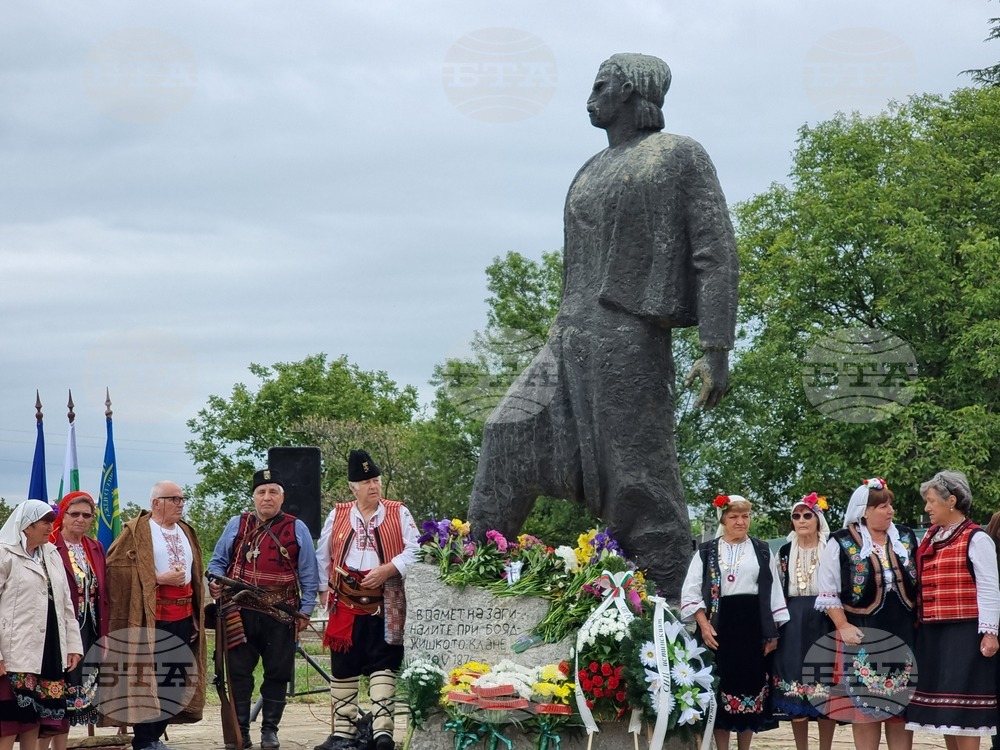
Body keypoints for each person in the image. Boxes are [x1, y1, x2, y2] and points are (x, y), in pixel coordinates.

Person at [467, 52, 739, 598]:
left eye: (601, 85)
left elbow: (717, 252)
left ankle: (667, 618)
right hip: (570, 336)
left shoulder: (678, 155)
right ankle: (471, 578)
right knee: (508, 432)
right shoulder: (591, 166)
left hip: (629, 337)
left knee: (638, 479)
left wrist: (715, 349)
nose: (591, 97)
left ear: (633, 92)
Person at [313, 450, 419, 750]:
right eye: (367, 482)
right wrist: (324, 591)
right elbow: (323, 554)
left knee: (383, 663)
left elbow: (417, 550)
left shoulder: (399, 512)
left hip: (385, 601)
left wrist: (387, 569)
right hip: (344, 602)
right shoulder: (339, 513)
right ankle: (344, 732)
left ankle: (382, 731)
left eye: (376, 480)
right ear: (353, 487)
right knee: (343, 666)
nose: (373, 486)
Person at [208, 470, 319, 750]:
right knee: (238, 674)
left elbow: (309, 573)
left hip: (281, 614)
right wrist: (214, 583)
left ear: (282, 497)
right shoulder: (237, 524)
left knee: (278, 673)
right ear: (254, 496)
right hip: (238, 611)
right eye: (261, 492)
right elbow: (218, 563)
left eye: (273, 492)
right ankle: (240, 731)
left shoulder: (297, 528)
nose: (267, 497)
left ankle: (270, 731)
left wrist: (305, 610)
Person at [816, 477, 918, 750]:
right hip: (863, 635)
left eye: (890, 505)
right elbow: (828, 592)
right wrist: (843, 626)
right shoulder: (841, 542)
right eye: (882, 506)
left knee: (900, 712)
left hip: (903, 635)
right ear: (865, 510)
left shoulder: (905, 538)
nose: (890, 511)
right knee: (866, 711)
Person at [104, 481, 207, 750]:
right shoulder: (136, 530)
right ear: (156, 503)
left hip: (183, 616)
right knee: (148, 678)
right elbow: (116, 568)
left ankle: (154, 736)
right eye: (174, 499)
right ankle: (145, 739)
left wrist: (195, 615)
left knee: (175, 678)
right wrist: (158, 579)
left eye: (182, 499)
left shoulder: (186, 531)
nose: (180, 504)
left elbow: (195, 577)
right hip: (151, 616)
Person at [681, 495, 788, 750]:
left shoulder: (762, 550)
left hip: (752, 627)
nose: (740, 522)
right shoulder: (707, 552)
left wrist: (772, 633)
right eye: (734, 517)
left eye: (745, 516)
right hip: (718, 627)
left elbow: (774, 592)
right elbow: (692, 591)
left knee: (749, 687)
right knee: (721, 686)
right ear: (723, 520)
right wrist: (704, 625)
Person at [905, 470, 999, 746]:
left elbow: (989, 588)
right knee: (944, 711)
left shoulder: (976, 538)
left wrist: (990, 632)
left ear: (952, 501)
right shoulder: (931, 537)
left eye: (932, 501)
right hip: (934, 633)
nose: (927, 507)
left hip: (965, 633)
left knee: (967, 712)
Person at [0, 500, 82, 750]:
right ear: (26, 526)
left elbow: (66, 603)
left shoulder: (52, 554)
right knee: (8, 720)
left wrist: (73, 645)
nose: (51, 527)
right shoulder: (4, 553)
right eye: (45, 522)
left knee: (36, 717)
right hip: (13, 650)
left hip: (48, 647)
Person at [38, 492, 110, 750]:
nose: (80, 519)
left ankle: (61, 747)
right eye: (74, 513)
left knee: (73, 695)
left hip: (88, 630)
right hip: (56, 633)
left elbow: (103, 595)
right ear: (63, 515)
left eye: (86, 515)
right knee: (53, 696)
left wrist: (105, 636)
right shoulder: (48, 546)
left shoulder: (95, 547)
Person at [771, 493, 836, 750]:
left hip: (825, 619)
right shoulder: (785, 552)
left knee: (825, 685)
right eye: (796, 516)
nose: (801, 520)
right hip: (792, 622)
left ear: (818, 519)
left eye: (807, 515)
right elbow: (776, 589)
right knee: (795, 684)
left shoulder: (831, 549)